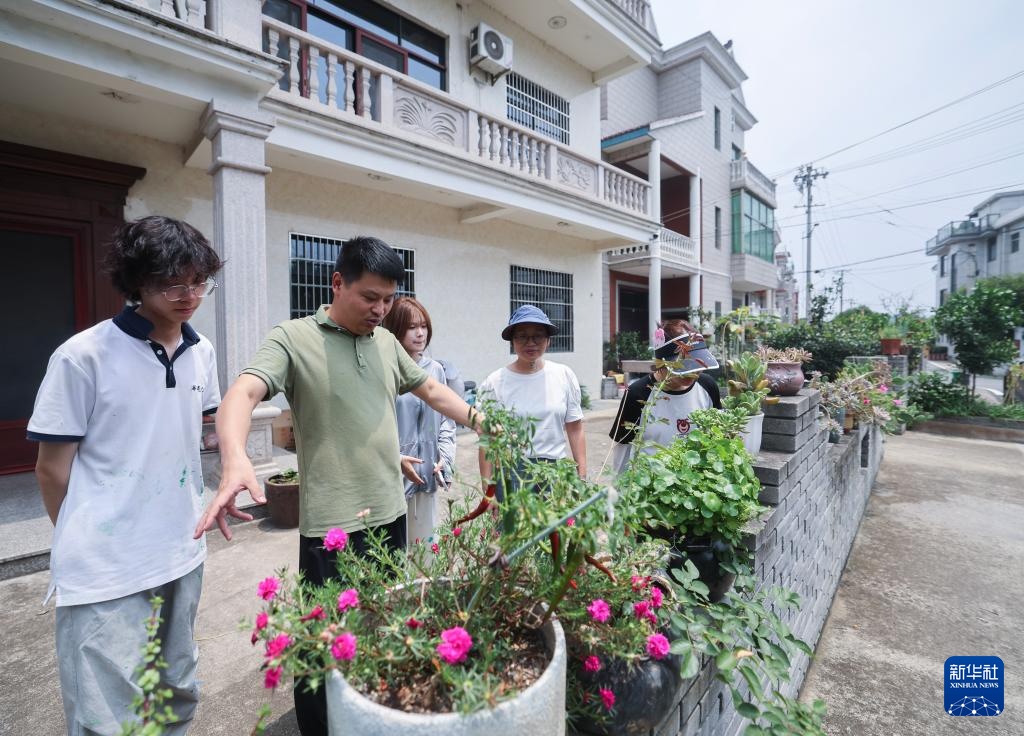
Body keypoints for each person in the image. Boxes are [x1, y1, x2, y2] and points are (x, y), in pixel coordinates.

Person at [193, 236, 482, 736]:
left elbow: (431, 390)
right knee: (322, 639)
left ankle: (368, 717)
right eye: (370, 297)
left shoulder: (387, 343)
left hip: (390, 512)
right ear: (337, 284)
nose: (381, 309)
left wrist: (484, 420)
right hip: (332, 524)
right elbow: (243, 391)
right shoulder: (294, 337)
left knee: (379, 627)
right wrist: (235, 457)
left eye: (389, 298)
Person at [28, 215, 224, 735]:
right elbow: (51, 469)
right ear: (136, 283)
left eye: (199, 281)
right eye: (172, 284)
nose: (189, 295)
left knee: (176, 690)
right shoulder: (82, 356)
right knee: (107, 718)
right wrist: (88, 534)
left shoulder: (201, 352)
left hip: (181, 549)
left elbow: (194, 436)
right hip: (104, 569)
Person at [478, 305, 586, 497]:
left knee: (556, 526)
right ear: (512, 341)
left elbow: (575, 428)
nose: (531, 342)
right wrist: (488, 492)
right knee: (511, 528)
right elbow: (488, 440)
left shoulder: (563, 375)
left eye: (538, 335)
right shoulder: (495, 382)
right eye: (522, 336)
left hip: (555, 474)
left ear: (548, 341)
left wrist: (582, 477)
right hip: (511, 475)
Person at [382, 296, 456, 544]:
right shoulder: (386, 369)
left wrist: (444, 457)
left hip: (427, 476)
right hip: (393, 479)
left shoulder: (435, 370)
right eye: (411, 327)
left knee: (425, 552)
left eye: (423, 326)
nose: (420, 333)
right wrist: (395, 457)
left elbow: (446, 420)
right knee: (393, 554)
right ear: (395, 329)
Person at [609, 319, 722, 473]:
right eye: (684, 366)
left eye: (697, 366)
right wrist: (619, 490)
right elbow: (622, 448)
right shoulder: (637, 393)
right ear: (662, 363)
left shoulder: (707, 386)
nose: (693, 373)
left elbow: (717, 437)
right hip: (648, 486)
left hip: (694, 484)